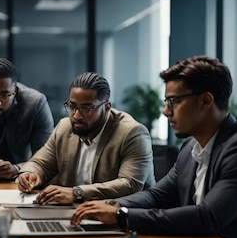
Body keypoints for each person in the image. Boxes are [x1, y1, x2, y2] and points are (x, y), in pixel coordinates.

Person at [70, 55, 237, 238]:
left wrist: (120, 214)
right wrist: (107, 205)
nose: (166, 111)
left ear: (205, 101)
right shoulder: (191, 146)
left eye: (173, 101)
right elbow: (158, 196)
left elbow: (207, 218)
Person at [17, 71, 155, 205]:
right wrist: (31, 174)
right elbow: (41, 163)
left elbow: (130, 184)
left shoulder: (132, 133)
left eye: (87, 108)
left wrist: (77, 193)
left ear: (107, 108)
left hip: (123, 217)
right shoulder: (64, 127)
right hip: (74, 213)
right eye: (72, 106)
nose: (76, 115)